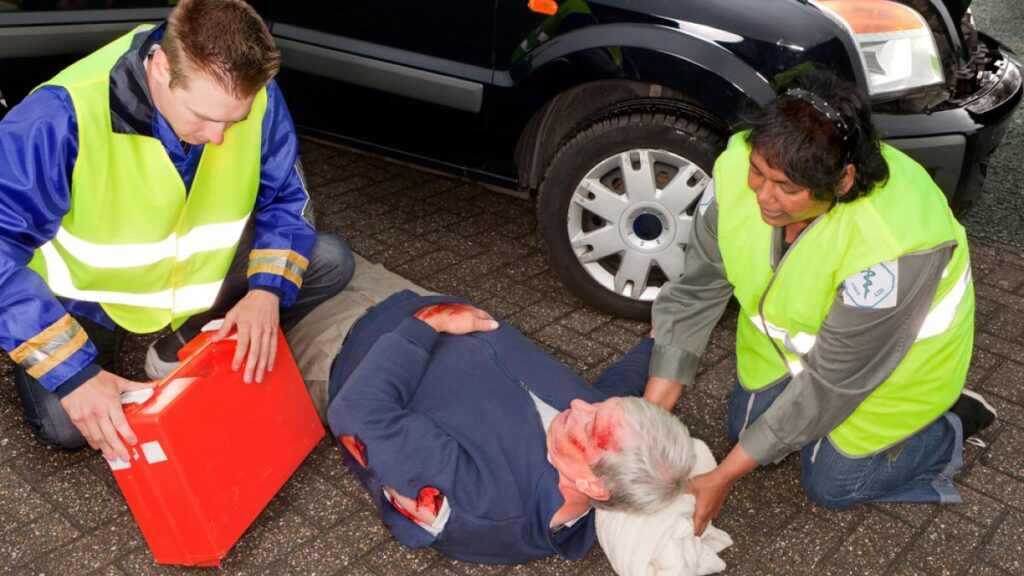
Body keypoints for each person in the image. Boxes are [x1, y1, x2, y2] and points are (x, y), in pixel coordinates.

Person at [644, 67, 995, 535]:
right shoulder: (734, 172)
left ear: (843, 182)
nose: (764, 197)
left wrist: (722, 478)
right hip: (791, 350)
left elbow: (833, 381)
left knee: (831, 484)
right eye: (758, 172)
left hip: (894, 372)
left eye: (787, 188)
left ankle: (944, 426)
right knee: (744, 436)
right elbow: (698, 290)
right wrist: (647, 422)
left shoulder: (893, 246)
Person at [0, 0, 353, 464]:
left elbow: (288, 197)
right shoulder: (59, 116)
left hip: (192, 284)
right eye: (203, 117)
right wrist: (74, 376)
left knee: (330, 260)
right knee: (66, 426)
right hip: (88, 300)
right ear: (161, 66)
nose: (220, 136)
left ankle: (183, 345)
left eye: (235, 120)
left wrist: (265, 293)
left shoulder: (254, 94)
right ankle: (101, 362)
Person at [325, 290, 694, 565]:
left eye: (591, 421)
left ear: (592, 485)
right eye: (599, 407)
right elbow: (615, 393)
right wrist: (657, 343)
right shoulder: (593, 445)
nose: (580, 404)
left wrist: (429, 323)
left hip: (344, 336)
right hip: (413, 304)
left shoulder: (480, 497)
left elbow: (355, 411)